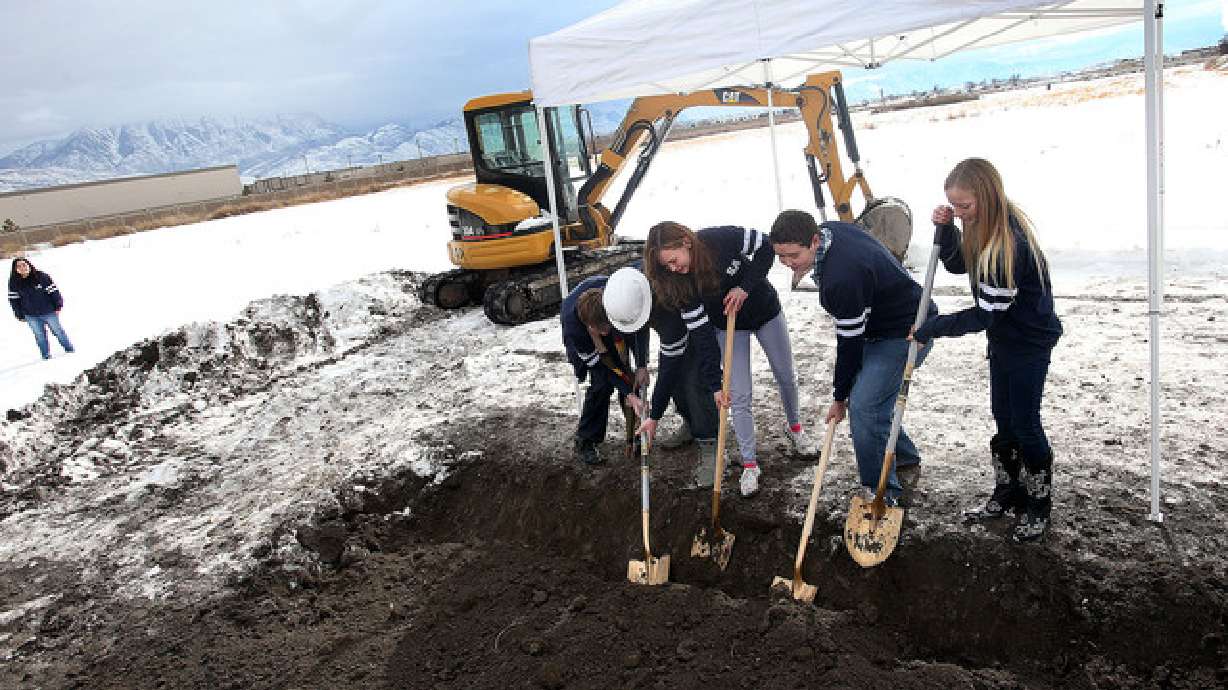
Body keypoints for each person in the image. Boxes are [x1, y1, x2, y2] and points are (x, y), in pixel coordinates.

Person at [911, 158, 1062, 542]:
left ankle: (1038, 504)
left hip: (1028, 341)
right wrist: (945, 235)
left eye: (965, 207)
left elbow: (986, 314)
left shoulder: (1009, 243)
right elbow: (962, 264)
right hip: (1005, 339)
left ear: (988, 196)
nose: (960, 214)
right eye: (955, 206)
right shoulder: (981, 226)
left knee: (1025, 422)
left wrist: (934, 327)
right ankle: (1008, 491)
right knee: (1003, 417)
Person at [770, 210, 935, 506]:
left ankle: (880, 493)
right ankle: (904, 456)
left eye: (793, 256)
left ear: (815, 240)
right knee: (874, 402)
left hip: (907, 332)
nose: (787, 264)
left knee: (865, 407)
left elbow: (849, 345)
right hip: (881, 323)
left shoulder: (842, 278)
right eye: (781, 257)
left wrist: (840, 397)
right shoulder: (832, 231)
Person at [644, 221, 815, 498]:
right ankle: (750, 464)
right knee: (737, 394)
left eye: (673, 261)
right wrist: (714, 385)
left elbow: (766, 248)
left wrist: (744, 288)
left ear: (685, 242)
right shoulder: (682, 286)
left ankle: (795, 428)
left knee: (785, 375)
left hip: (765, 311)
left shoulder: (718, 239)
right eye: (667, 267)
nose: (673, 269)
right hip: (727, 327)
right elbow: (702, 338)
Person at [605, 267, 722, 486]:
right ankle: (690, 424)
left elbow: (669, 368)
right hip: (678, 332)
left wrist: (654, 416)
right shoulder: (630, 287)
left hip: (705, 325)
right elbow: (640, 331)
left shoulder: (667, 310)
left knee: (695, 382)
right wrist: (641, 365)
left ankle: (710, 445)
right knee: (676, 384)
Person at [561, 272, 651, 466]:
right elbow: (601, 369)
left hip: (612, 316)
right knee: (601, 384)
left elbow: (639, 328)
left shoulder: (618, 298)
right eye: (602, 331)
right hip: (586, 339)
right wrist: (627, 392)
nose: (606, 334)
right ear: (591, 327)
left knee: (630, 376)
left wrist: (642, 364)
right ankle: (586, 439)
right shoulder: (575, 330)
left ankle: (635, 433)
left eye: (608, 328)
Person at [8, 257, 75, 360]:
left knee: (58, 331)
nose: (22, 267)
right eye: (18, 266)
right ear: (15, 269)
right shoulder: (14, 282)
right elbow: (14, 300)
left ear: (28, 265)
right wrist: (19, 314)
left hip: (48, 311)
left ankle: (69, 349)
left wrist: (58, 305)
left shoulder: (41, 276)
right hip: (30, 315)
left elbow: (54, 291)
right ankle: (46, 355)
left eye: (24, 265)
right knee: (40, 336)